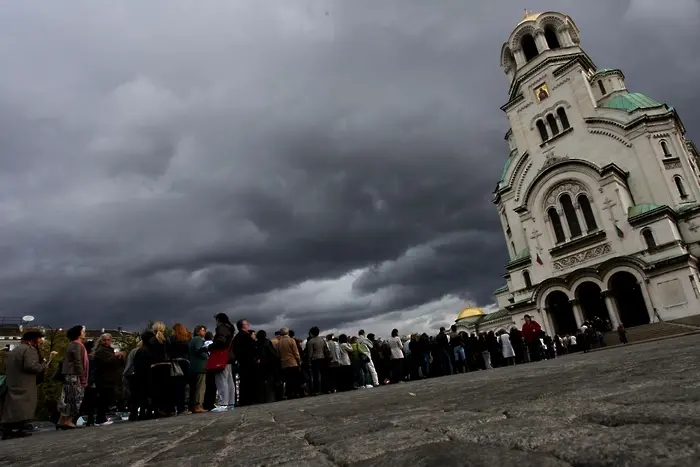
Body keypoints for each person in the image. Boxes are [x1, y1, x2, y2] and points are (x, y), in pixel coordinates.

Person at [0, 331, 52, 440]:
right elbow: (31, 366)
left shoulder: (16, 349)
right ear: (33, 339)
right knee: (24, 407)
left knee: (12, 406)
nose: (40, 341)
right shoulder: (29, 349)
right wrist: (43, 365)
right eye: (39, 338)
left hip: (13, 381)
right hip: (25, 383)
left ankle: (8, 430)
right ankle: (17, 429)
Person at [57, 325, 88, 429]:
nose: (84, 333)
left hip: (70, 375)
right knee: (74, 397)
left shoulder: (73, 344)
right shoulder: (77, 345)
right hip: (74, 376)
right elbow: (78, 361)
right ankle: (67, 420)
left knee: (67, 397)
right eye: (82, 331)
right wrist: (82, 376)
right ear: (78, 334)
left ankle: (62, 420)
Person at [94, 333, 125, 426]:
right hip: (103, 378)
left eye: (108, 340)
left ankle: (102, 418)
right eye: (105, 340)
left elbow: (116, 364)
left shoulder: (109, 350)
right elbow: (107, 361)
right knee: (103, 398)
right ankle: (100, 419)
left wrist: (119, 357)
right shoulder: (100, 351)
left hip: (110, 378)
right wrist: (116, 355)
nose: (107, 342)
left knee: (106, 398)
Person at [209, 313, 236, 412]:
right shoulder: (230, 328)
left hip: (221, 357)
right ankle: (230, 403)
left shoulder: (221, 328)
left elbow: (221, 341)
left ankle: (223, 403)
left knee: (221, 380)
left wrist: (210, 347)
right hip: (229, 357)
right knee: (229, 381)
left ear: (218, 320)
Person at [149, 321, 173, 417]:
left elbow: (150, 355)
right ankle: (168, 409)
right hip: (166, 366)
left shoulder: (151, 341)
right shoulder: (166, 340)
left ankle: (158, 410)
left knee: (157, 389)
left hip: (156, 366)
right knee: (167, 389)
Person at [233, 319, 257, 407]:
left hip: (241, 362)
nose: (248, 326)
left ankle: (243, 400)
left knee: (243, 382)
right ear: (243, 326)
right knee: (249, 381)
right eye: (247, 324)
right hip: (248, 362)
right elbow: (251, 349)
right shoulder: (246, 336)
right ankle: (250, 399)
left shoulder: (236, 337)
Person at [169, 323, 191, 415]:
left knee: (175, 387)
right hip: (185, 363)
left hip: (175, 364)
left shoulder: (171, 340)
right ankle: (182, 408)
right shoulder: (186, 341)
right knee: (183, 387)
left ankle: (175, 408)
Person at [188, 325, 209, 413]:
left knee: (196, 386)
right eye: (202, 330)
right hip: (200, 366)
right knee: (200, 387)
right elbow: (199, 350)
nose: (204, 332)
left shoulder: (193, 340)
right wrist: (207, 356)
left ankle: (195, 405)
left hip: (194, 366)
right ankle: (198, 405)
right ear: (198, 331)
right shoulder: (198, 339)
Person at [278, 328, 301, 399]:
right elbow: (296, 352)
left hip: (284, 363)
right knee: (295, 379)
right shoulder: (291, 340)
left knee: (288, 380)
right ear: (287, 333)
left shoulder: (279, 342)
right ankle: (296, 393)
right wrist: (299, 360)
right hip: (293, 362)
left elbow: (278, 354)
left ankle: (289, 394)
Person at [306, 326, 330, 395]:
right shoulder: (322, 340)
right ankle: (326, 389)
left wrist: (309, 362)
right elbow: (326, 349)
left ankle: (317, 390)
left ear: (312, 333)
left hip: (315, 359)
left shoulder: (311, 341)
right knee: (324, 375)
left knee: (316, 376)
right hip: (323, 358)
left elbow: (310, 353)